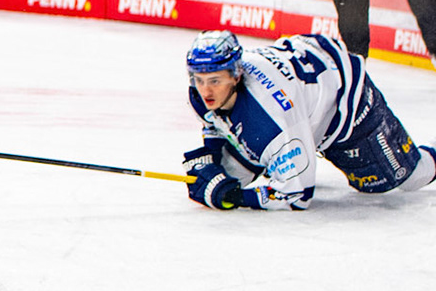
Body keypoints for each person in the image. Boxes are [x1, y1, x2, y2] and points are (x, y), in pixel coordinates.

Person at [183, 30, 436, 212]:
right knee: (225, 177)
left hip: (348, 100)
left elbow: (297, 195)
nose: (206, 91)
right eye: (199, 79)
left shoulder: (273, 121)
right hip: (305, 88)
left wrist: (237, 197)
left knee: (409, 176)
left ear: (236, 75)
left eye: (215, 81)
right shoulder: (201, 94)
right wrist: (212, 161)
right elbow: (214, 125)